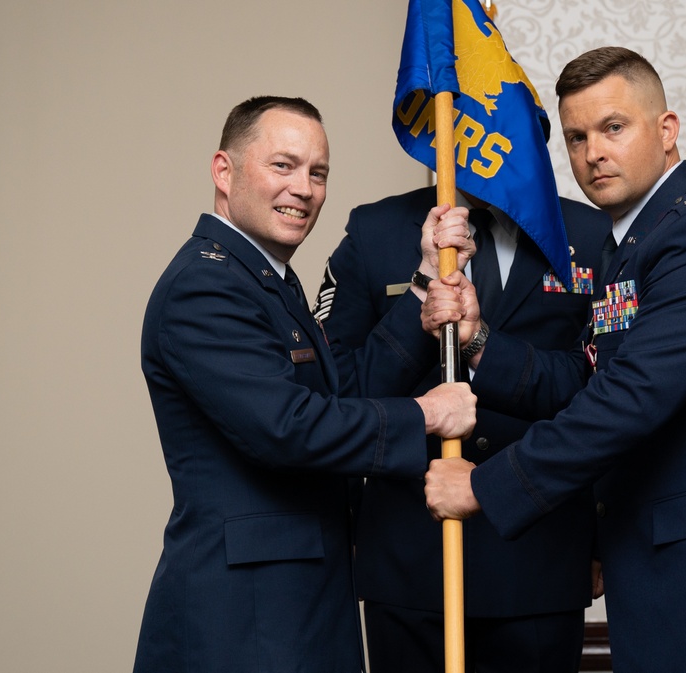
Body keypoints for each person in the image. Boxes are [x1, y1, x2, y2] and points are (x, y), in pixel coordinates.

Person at [422, 47, 686, 673]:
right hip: (668, 585)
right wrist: (479, 337)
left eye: (613, 127)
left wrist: (485, 487)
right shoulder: (635, 246)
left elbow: (631, 399)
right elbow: (592, 378)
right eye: (576, 136)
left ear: (667, 131)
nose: (593, 152)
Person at [132, 96, 477, 673]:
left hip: (303, 603)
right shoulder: (206, 288)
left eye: (318, 173)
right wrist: (428, 415)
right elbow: (288, 428)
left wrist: (420, 288)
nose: (304, 188)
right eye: (283, 166)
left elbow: (342, 398)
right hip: (246, 617)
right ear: (224, 170)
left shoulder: (267, 283)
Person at [315, 181, 608, 672]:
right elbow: (339, 393)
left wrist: (601, 539)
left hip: (540, 557)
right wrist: (421, 300)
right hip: (409, 558)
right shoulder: (376, 229)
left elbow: (602, 394)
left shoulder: (591, 232)